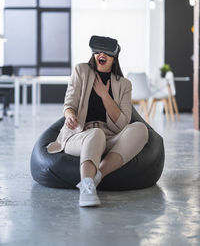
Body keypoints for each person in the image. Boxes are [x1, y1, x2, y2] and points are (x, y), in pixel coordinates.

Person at [47, 35, 149, 207]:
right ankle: (86, 188)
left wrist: (104, 95)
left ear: (114, 57)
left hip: (110, 137)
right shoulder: (81, 71)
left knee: (140, 129)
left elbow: (123, 123)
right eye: (98, 51)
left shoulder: (124, 84)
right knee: (95, 134)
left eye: (106, 52)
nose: (101, 54)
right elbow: (69, 103)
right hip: (80, 135)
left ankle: (96, 177)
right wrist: (70, 115)